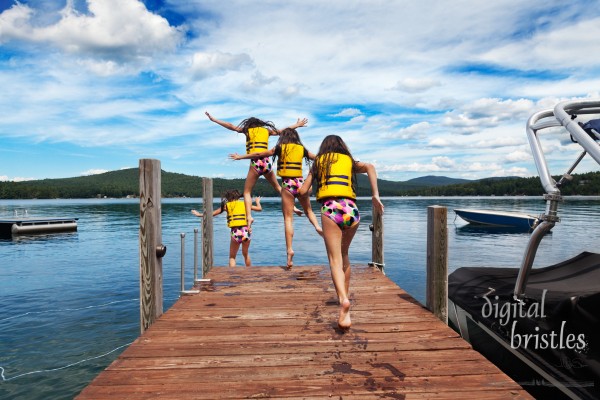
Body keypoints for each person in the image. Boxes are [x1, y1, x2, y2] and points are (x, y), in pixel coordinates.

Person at [299, 135, 384, 330]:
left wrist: (308, 209)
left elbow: (303, 191)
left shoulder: (318, 163)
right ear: (342, 147)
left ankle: (344, 300)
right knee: (344, 256)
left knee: (334, 260)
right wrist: (375, 195)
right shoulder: (348, 160)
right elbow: (370, 166)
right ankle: (344, 303)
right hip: (352, 209)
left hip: (330, 208)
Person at [229, 128, 323, 269]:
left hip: (288, 185)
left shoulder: (279, 148)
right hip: (300, 182)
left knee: (288, 219)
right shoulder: (301, 149)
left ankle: (289, 249)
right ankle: (317, 227)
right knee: (309, 211)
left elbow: (260, 153)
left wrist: (241, 157)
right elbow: (318, 158)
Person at [205, 112, 307, 230]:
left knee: (247, 192)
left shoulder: (247, 130)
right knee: (278, 187)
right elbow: (282, 131)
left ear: (250, 124)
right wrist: (297, 125)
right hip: (266, 162)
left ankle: (249, 217)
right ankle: (293, 207)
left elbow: (230, 125)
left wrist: (215, 120)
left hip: (256, 163)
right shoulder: (267, 131)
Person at [191, 189, 262, 267]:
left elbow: (212, 214)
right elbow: (259, 209)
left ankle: (232, 276)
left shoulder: (227, 206)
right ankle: (250, 272)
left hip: (236, 232)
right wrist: (257, 201)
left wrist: (199, 214)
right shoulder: (245, 204)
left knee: (232, 257)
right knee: (245, 254)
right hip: (246, 232)